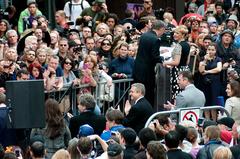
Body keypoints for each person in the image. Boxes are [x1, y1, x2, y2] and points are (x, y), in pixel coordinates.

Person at [132, 20, 166, 106]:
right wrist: (162, 58)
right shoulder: (155, 39)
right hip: (147, 73)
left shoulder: (144, 35)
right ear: (161, 29)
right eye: (164, 30)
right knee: (148, 95)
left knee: (137, 94)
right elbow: (155, 57)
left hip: (137, 70)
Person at [199, 43, 222, 121]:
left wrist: (208, 71)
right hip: (205, 83)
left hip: (215, 83)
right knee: (206, 102)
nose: (210, 51)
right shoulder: (203, 59)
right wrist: (205, 60)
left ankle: (214, 121)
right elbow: (201, 71)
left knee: (214, 103)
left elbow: (219, 69)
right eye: (209, 49)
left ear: (215, 51)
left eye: (213, 50)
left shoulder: (218, 59)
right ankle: (207, 121)